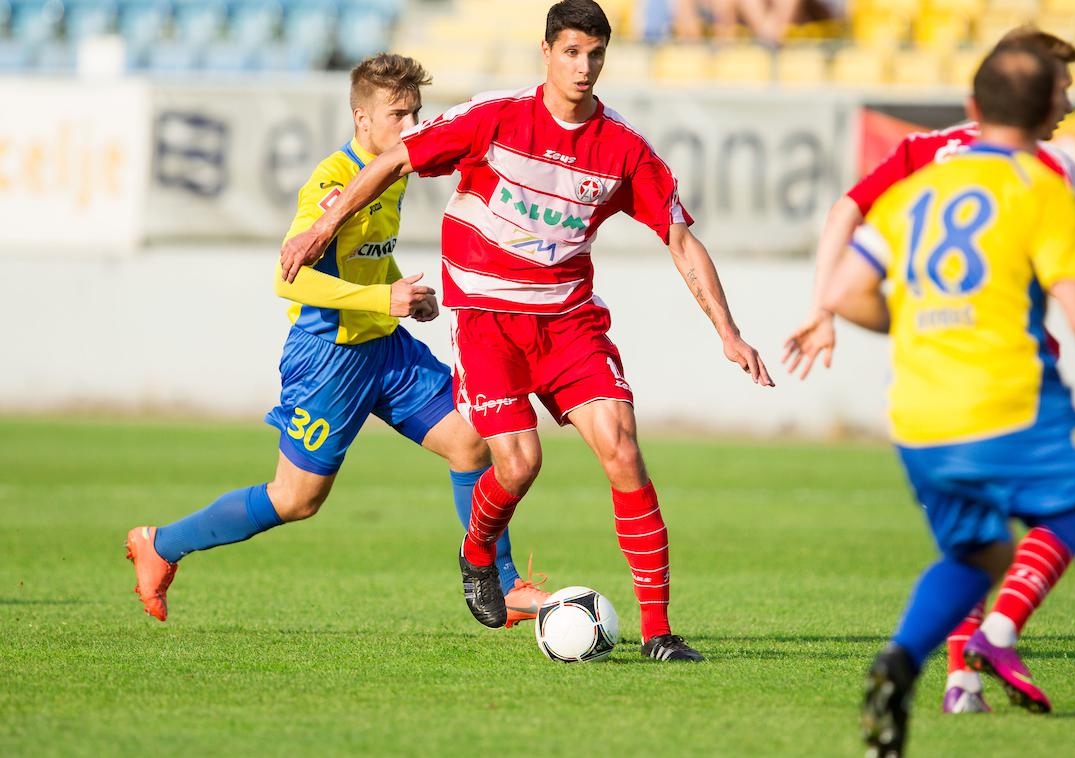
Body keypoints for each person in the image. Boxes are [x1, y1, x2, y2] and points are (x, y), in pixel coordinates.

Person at [280, 0, 773, 662]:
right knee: (520, 462)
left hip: (568, 322)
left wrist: (728, 331)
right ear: (547, 53)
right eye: (571, 52)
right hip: (487, 321)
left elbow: (681, 239)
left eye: (595, 54)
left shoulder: (622, 149)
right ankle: (477, 552)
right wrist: (321, 226)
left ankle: (659, 633)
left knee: (623, 451)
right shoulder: (497, 117)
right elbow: (395, 160)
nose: (584, 66)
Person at [822, 43, 1075, 757]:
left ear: (972, 109)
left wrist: (921, 324)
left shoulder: (916, 192)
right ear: (1054, 107)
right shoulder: (1043, 186)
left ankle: (900, 662)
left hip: (921, 419)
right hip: (1015, 409)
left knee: (982, 551)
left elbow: (845, 292)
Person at [125, 53, 550, 628]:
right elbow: (287, 275)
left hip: (385, 348)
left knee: (473, 442)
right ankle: (161, 544)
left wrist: (398, 288)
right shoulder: (330, 184)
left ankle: (501, 588)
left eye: (417, 113)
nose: (412, 127)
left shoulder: (396, 172)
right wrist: (383, 299)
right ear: (361, 117)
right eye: (398, 115)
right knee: (296, 499)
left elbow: (363, 256)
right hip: (328, 356)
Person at [786, 27, 1075, 714]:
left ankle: (960, 680)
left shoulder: (922, 153)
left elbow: (844, 210)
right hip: (1016, 368)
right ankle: (999, 633)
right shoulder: (1053, 166)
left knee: (976, 540)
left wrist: (823, 306)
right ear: (1032, 91)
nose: (1067, 99)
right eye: (1060, 85)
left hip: (931, 380)